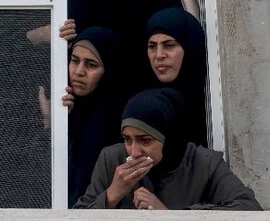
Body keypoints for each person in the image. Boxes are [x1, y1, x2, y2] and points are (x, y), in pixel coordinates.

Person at [74, 88, 261, 210]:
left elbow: (249, 208)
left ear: (169, 138)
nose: (134, 152)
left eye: (145, 140)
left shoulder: (205, 164)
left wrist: (170, 215)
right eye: (127, 139)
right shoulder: (112, 159)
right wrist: (111, 195)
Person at [61, 27, 126, 207]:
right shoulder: (67, 109)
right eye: (75, 61)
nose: (79, 71)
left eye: (91, 65)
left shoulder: (112, 122)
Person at [145, 7, 208, 146]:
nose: (159, 55)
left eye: (169, 45)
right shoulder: (144, 105)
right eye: (152, 46)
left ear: (189, 47)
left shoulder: (211, 102)